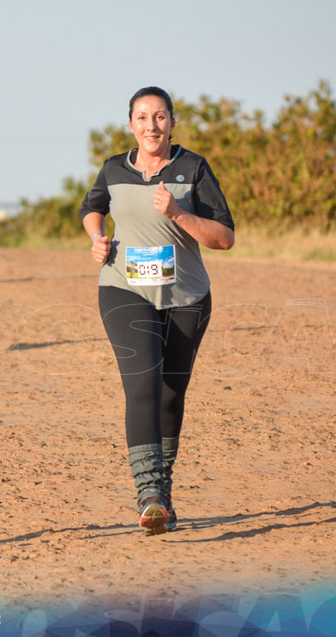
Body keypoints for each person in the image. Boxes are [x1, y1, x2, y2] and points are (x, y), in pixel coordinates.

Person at [80, 86, 235, 535]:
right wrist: (97, 237)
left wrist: (179, 214)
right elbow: (92, 209)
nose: (152, 126)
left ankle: (163, 491)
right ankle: (147, 493)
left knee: (171, 393)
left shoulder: (193, 168)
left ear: (173, 122)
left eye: (160, 117)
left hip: (187, 297)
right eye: (143, 117)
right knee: (143, 381)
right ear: (131, 124)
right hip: (123, 288)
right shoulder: (113, 169)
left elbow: (223, 238)